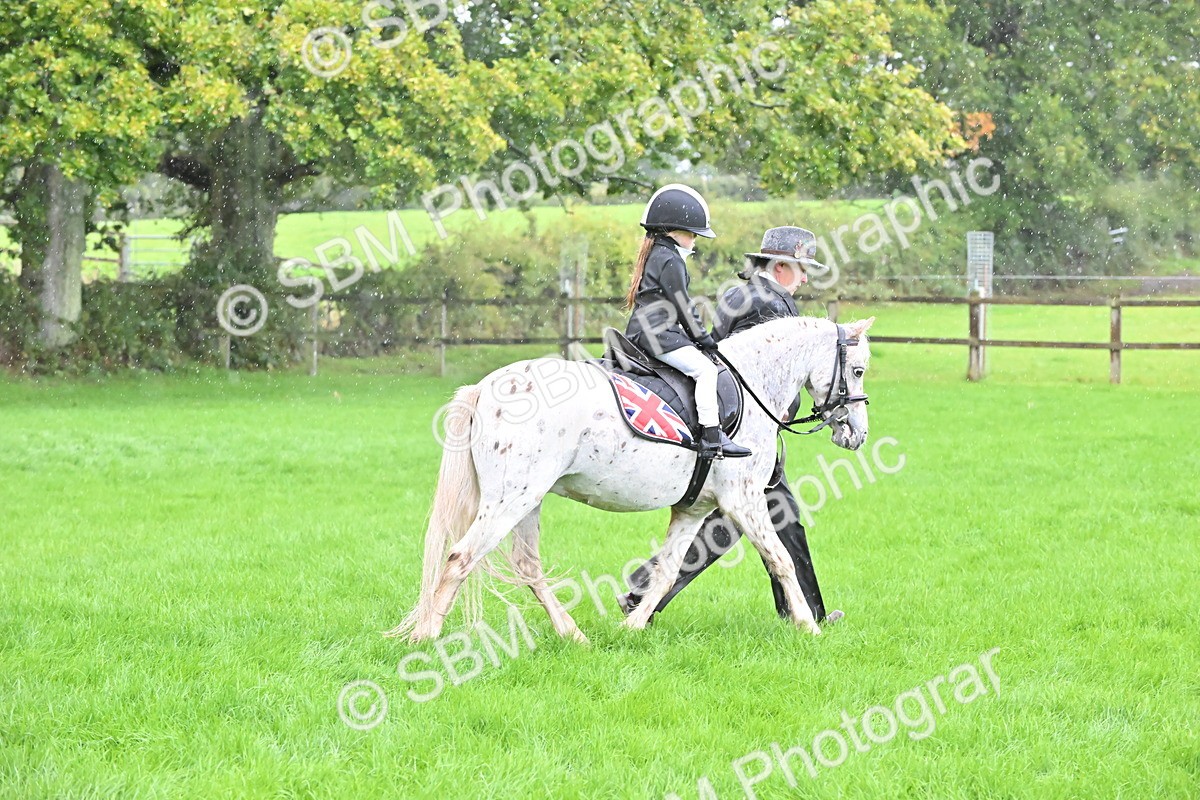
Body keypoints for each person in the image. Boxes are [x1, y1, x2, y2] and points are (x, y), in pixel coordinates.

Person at [620, 226, 844, 625]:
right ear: (780, 265)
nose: (806, 278)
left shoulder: (740, 293)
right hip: (746, 431)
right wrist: (784, 411)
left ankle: (643, 593)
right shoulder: (772, 305)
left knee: (755, 518)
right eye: (802, 269)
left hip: (731, 420)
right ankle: (807, 614)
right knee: (773, 516)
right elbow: (766, 371)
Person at [624, 184, 749, 459]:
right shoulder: (670, 260)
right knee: (706, 371)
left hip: (645, 331)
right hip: (658, 334)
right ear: (673, 231)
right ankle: (712, 438)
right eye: (692, 235)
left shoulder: (657, 253)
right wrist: (704, 339)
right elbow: (683, 306)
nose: (694, 241)